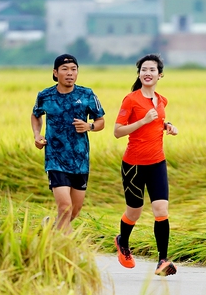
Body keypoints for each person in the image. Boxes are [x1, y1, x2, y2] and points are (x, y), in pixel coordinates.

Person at [113, 53, 179, 276]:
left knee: (161, 210)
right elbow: (117, 132)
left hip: (157, 162)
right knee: (134, 211)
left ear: (160, 74)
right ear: (139, 74)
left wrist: (167, 126)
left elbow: (157, 121)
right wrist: (142, 121)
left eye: (152, 70)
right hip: (133, 165)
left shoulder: (162, 100)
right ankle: (123, 241)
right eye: (144, 70)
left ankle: (162, 260)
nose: (147, 73)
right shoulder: (131, 100)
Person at [31, 53, 105, 234]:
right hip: (55, 158)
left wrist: (89, 126)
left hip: (80, 159)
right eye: (65, 69)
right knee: (65, 207)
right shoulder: (45, 96)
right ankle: (68, 250)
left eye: (73, 69)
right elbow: (36, 115)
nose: (70, 73)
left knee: (74, 210)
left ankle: (51, 228)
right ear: (56, 73)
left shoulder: (87, 94)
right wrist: (37, 135)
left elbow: (101, 122)